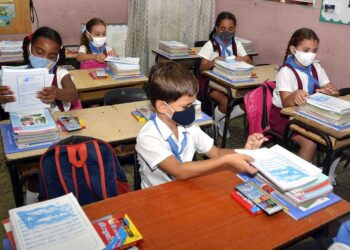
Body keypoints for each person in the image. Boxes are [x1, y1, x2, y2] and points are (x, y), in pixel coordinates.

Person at [135, 61, 267, 189]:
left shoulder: (188, 126)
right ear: (162, 107)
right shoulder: (148, 137)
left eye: (192, 104)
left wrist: (247, 152)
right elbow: (178, 170)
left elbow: (217, 153)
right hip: (157, 195)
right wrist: (226, 161)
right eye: (186, 106)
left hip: (186, 186)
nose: (191, 110)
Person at [271, 28, 338, 162]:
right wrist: (295, 95)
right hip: (284, 117)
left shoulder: (316, 67)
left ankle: (326, 173)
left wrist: (330, 92)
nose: (311, 55)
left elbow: (331, 89)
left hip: (309, 114)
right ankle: (299, 178)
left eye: (314, 51)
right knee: (310, 143)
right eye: (306, 50)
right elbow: (285, 102)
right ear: (293, 49)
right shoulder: (286, 72)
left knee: (335, 136)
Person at [198, 11, 252, 137]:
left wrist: (243, 59)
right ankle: (212, 123)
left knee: (248, 102)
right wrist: (212, 62)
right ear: (217, 29)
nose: (227, 31)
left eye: (230, 29)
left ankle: (222, 120)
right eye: (223, 28)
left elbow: (249, 61)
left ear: (234, 29)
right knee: (225, 101)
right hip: (210, 82)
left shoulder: (236, 44)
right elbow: (202, 68)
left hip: (232, 82)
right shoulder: (210, 45)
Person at [1, 26, 79, 113]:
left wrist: (57, 93)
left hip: (55, 118)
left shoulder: (60, 73)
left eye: (52, 57)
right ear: (30, 48)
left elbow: (74, 94)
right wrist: (4, 98)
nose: (44, 59)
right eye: (39, 52)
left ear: (57, 58)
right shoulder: (17, 75)